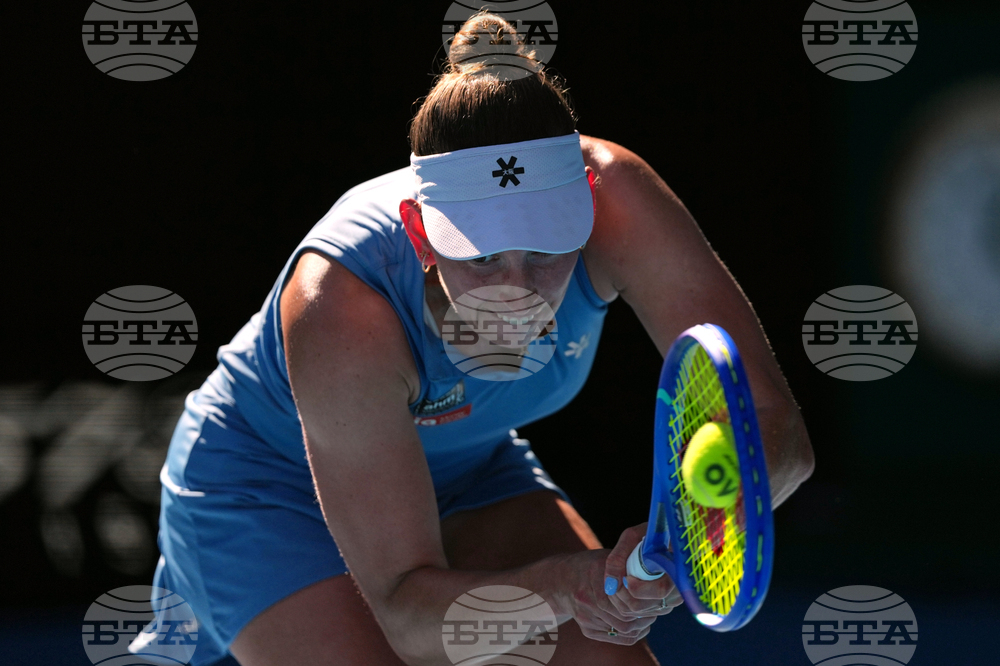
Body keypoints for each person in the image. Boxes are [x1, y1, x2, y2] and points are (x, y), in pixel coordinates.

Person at [146, 12, 814, 666]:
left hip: (466, 470)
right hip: (260, 489)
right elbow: (411, 620)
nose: (517, 291)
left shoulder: (620, 202)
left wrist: (691, 533)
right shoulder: (340, 309)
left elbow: (773, 427)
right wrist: (570, 585)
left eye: (546, 250)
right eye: (484, 257)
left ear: (586, 198)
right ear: (418, 232)